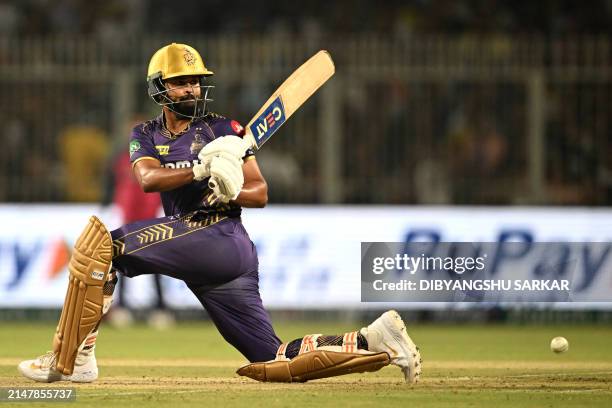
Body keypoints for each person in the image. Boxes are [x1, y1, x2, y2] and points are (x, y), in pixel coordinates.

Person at [17, 43, 421, 384]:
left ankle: (70, 360)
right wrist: (200, 170)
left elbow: (260, 192)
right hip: (200, 249)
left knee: (102, 247)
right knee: (274, 357)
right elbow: (147, 180)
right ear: (159, 88)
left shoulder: (223, 130)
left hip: (220, 238)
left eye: (196, 81)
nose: (192, 89)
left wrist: (231, 188)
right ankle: (375, 339)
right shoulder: (145, 134)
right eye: (181, 82)